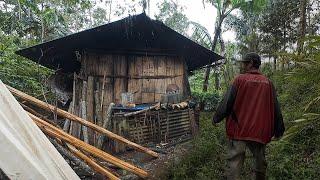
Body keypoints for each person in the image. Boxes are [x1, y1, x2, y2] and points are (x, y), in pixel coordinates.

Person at [212, 52, 285, 180]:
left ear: (251, 63)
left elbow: (227, 102)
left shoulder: (239, 80)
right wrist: (279, 128)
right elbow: (275, 107)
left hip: (239, 129)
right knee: (259, 163)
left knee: (235, 162)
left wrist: (217, 117)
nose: (244, 66)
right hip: (260, 131)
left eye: (245, 63)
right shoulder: (268, 83)